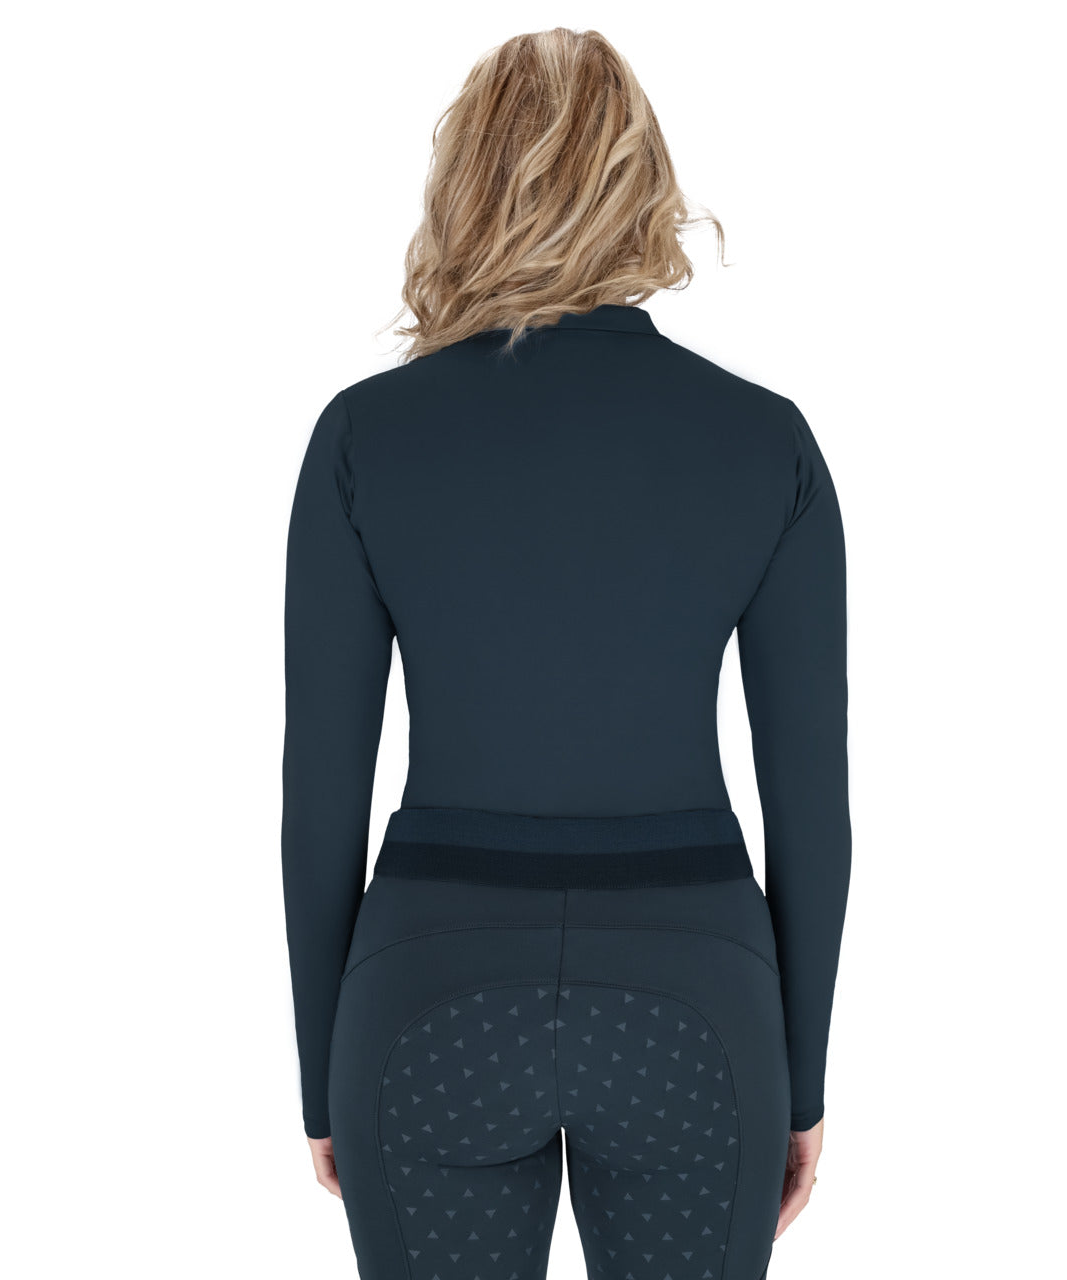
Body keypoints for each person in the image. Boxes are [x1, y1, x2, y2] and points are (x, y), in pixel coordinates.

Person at [281, 26, 851, 1280]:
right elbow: (811, 803)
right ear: (643, 181)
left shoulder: (363, 438)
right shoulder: (765, 442)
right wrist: (799, 1075)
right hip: (695, 1012)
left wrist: (322, 1068)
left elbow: (318, 793)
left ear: (461, 183)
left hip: (428, 1003)